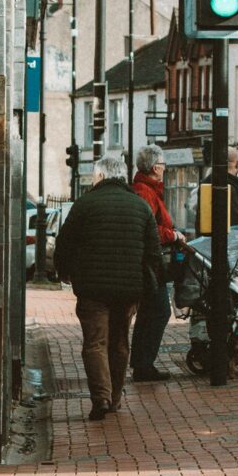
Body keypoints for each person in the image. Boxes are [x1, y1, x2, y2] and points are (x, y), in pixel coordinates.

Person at [53, 149, 165, 420]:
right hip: (128, 289)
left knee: (95, 342)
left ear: (101, 175)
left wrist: (65, 272)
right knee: (119, 343)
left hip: (92, 288)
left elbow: (64, 243)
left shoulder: (85, 204)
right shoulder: (139, 206)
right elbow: (154, 252)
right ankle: (114, 398)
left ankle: (100, 398)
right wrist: (147, 283)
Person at [130, 143, 183, 382]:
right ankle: (143, 365)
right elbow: (149, 228)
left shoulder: (150, 189)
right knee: (159, 310)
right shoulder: (145, 191)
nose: (165, 168)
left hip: (150, 260)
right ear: (154, 167)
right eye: (162, 164)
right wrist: (173, 235)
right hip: (150, 262)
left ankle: (141, 363)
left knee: (149, 312)